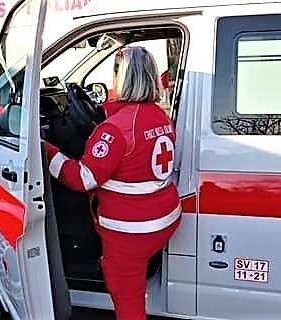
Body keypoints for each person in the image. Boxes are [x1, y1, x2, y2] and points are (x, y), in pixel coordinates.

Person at [44, 46, 181, 320]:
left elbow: (83, 178)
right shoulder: (159, 115)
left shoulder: (115, 130)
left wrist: (46, 151)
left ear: (123, 78)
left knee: (127, 301)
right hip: (164, 217)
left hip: (131, 231)